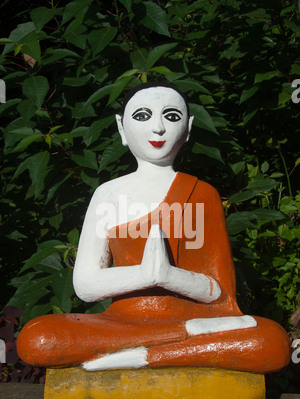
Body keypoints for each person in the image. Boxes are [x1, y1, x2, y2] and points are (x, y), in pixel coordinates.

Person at [17, 82, 290, 373]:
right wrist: (145, 275)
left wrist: (169, 276)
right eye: (143, 116)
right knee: (39, 339)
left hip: (199, 316)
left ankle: (147, 356)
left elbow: (220, 294)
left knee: (272, 342)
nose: (158, 128)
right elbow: (85, 285)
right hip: (124, 323)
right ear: (122, 128)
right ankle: (183, 342)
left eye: (171, 117)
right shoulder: (107, 194)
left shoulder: (202, 193)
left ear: (187, 129)